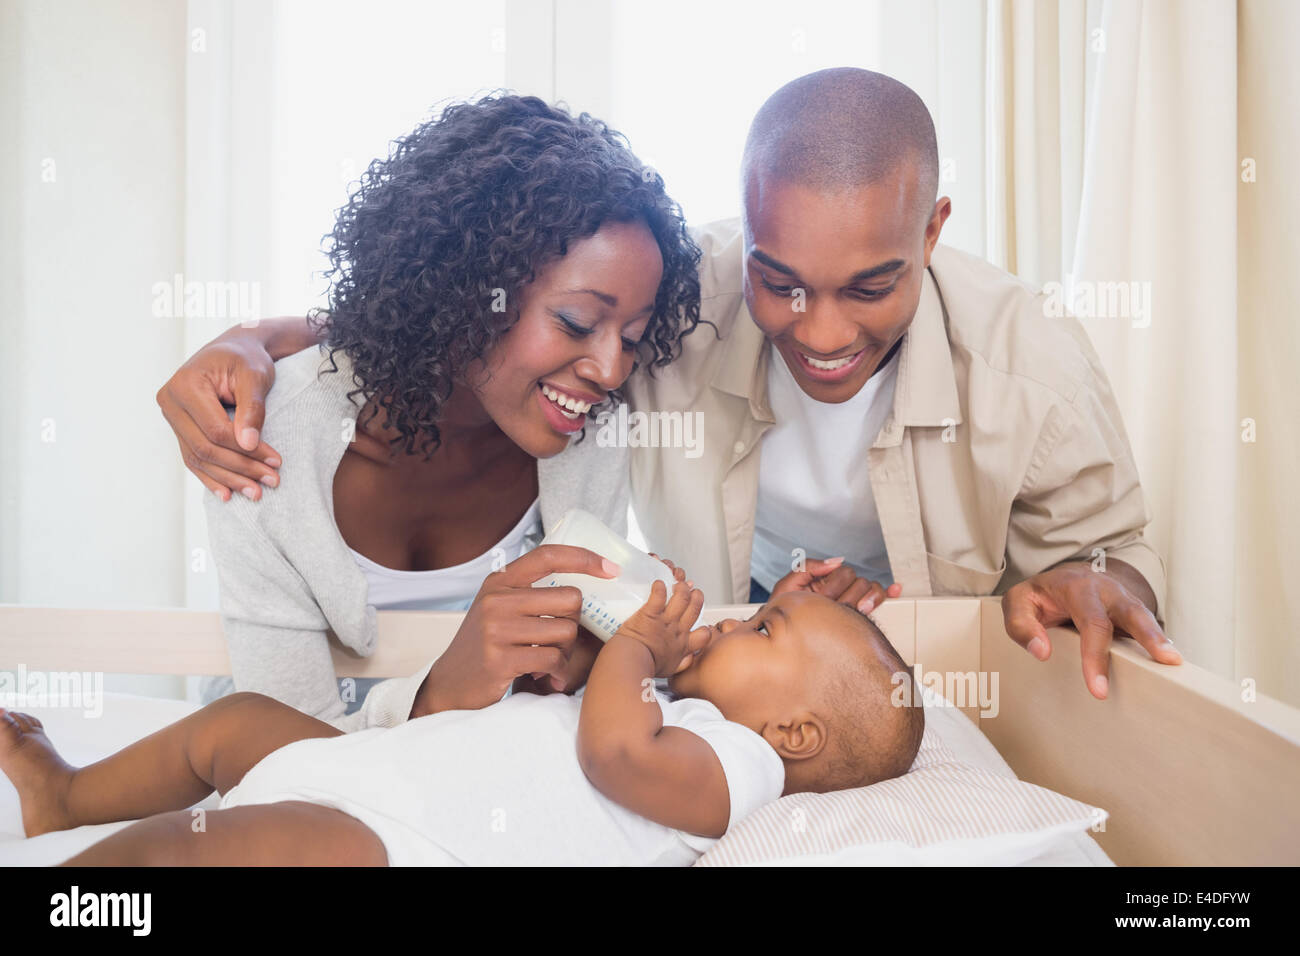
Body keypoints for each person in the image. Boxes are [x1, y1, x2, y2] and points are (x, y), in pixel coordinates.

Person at [158, 69, 1181, 701]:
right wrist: (256, 339)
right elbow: (456, 310)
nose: (821, 333)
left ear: (934, 230)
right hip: (725, 621)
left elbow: (1110, 556)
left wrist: (1110, 579)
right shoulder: (680, 302)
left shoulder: (1030, 357)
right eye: (782, 283)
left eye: (871, 286)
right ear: (745, 230)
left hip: (859, 652)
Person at [167, 93, 705, 730]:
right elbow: (277, 766)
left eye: (633, 337)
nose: (612, 370)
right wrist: (436, 695)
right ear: (471, 290)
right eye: (577, 322)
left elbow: (568, 695)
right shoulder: (263, 441)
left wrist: (595, 652)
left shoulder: (589, 428)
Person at [0, 586, 923, 866]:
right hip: (374, 768)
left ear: (796, 735)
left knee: (191, 853)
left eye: (764, 630)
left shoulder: (738, 762)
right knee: (232, 721)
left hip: (400, 839)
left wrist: (637, 649)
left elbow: (611, 754)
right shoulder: (682, 709)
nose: (732, 619)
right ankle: (66, 794)